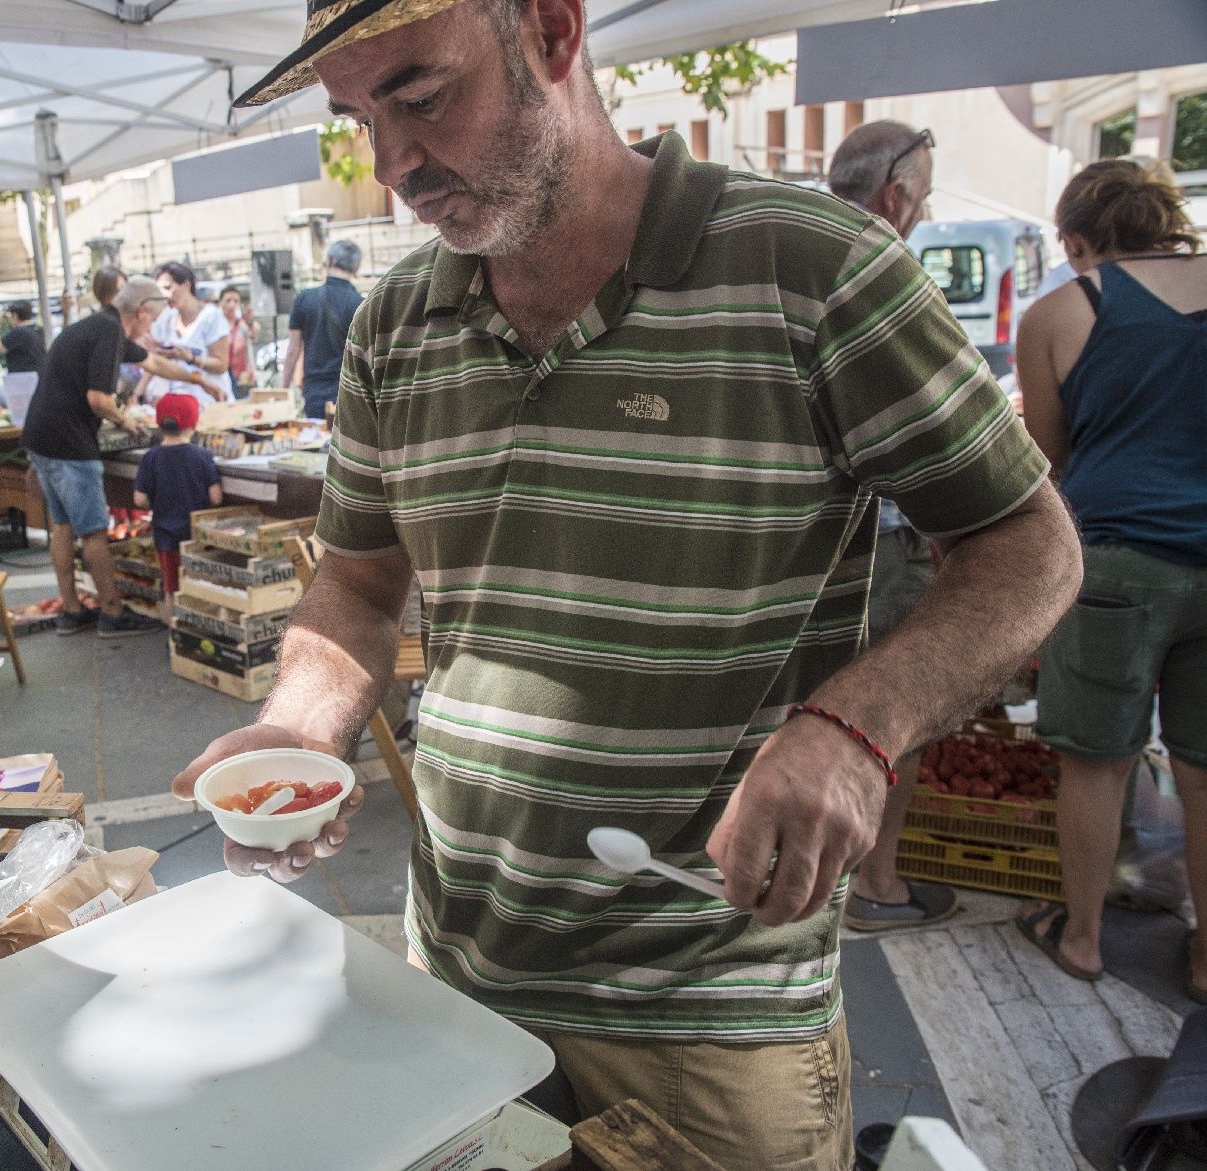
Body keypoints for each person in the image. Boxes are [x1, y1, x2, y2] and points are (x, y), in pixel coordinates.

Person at [174, 0, 1084, 1165]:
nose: (393, 163)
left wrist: (856, 726)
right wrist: (295, 737)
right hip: (453, 973)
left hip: (712, 1014)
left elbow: (1027, 543)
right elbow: (355, 584)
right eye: (356, 118)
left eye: (416, 94)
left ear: (550, 33)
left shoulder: (812, 268)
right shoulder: (393, 326)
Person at [1012, 160, 1207, 999]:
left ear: (1079, 241)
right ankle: (1205, 958)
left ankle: (1085, 938)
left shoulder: (1061, 311)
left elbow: (1046, 463)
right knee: (1204, 769)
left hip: (1112, 561)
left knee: (1096, 762)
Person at [824, 121, 956, 932]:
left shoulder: (792, 253)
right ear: (898, 194)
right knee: (889, 711)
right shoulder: (883, 270)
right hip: (884, 534)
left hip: (810, 542)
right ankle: (875, 881)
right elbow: (937, 448)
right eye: (926, 195)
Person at [21, 276, 216, 639]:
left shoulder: (96, 328)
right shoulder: (109, 333)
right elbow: (99, 400)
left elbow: (154, 363)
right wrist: (126, 421)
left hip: (40, 436)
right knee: (93, 531)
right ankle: (112, 613)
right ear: (141, 313)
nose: (151, 327)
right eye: (152, 320)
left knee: (61, 527)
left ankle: (72, 610)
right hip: (68, 443)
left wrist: (198, 378)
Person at [134, 392, 224, 625]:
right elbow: (215, 498)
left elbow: (139, 500)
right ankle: (197, 629)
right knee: (199, 585)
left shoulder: (150, 458)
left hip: (166, 537)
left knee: (171, 589)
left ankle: (174, 636)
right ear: (193, 424)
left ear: (159, 423)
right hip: (197, 537)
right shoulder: (202, 456)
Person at [283, 238, 363, 418]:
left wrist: (282, 391)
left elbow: (292, 351)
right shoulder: (361, 304)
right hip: (349, 393)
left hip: (314, 391)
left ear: (330, 261)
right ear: (355, 269)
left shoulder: (304, 298)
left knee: (316, 442)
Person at [144, 261, 233, 407]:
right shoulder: (166, 318)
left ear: (186, 285)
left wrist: (191, 358)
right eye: (160, 290)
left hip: (210, 402)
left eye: (168, 288)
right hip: (178, 404)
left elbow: (221, 364)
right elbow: (154, 362)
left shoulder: (211, 316)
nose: (165, 295)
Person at [0, 300, 46, 375]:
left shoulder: (19, 332)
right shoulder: (38, 329)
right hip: (39, 375)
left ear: (15, 315)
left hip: (23, 379)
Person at [219, 286, 255, 393]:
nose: (232, 304)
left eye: (235, 301)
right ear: (221, 302)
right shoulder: (215, 324)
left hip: (240, 375)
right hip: (221, 373)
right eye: (228, 300)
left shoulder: (242, 325)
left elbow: (250, 344)